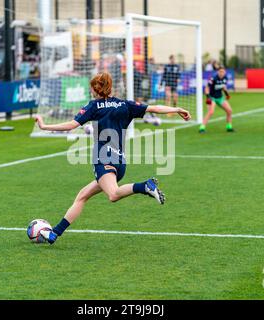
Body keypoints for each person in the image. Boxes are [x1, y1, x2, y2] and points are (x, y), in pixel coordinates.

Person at [34, 72, 191, 245]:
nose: (91, 92)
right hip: (120, 163)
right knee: (82, 196)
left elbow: (71, 125)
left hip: (104, 160)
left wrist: (44, 126)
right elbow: (155, 108)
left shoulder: (95, 106)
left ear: (96, 88)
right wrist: (177, 109)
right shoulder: (125, 104)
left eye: (92, 89)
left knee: (113, 195)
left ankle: (144, 186)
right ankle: (53, 234)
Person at [199, 66, 234, 134]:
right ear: (218, 72)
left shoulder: (225, 78)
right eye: (220, 71)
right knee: (211, 112)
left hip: (220, 97)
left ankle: (229, 127)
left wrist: (227, 94)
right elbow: (206, 88)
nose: (222, 73)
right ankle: (202, 128)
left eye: (223, 72)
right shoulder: (213, 78)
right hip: (212, 98)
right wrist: (208, 97)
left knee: (229, 111)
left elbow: (223, 87)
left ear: (225, 72)